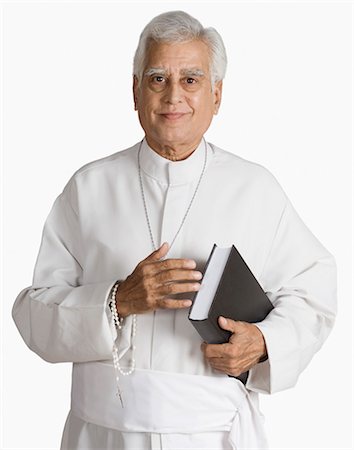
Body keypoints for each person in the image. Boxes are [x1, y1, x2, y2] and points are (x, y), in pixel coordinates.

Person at [12, 10, 337, 450]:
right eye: (157, 79)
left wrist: (264, 342)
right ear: (134, 91)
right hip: (103, 437)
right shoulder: (88, 188)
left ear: (216, 95)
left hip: (210, 436)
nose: (173, 97)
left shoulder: (256, 189)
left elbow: (314, 294)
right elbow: (33, 316)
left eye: (191, 80)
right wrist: (116, 300)